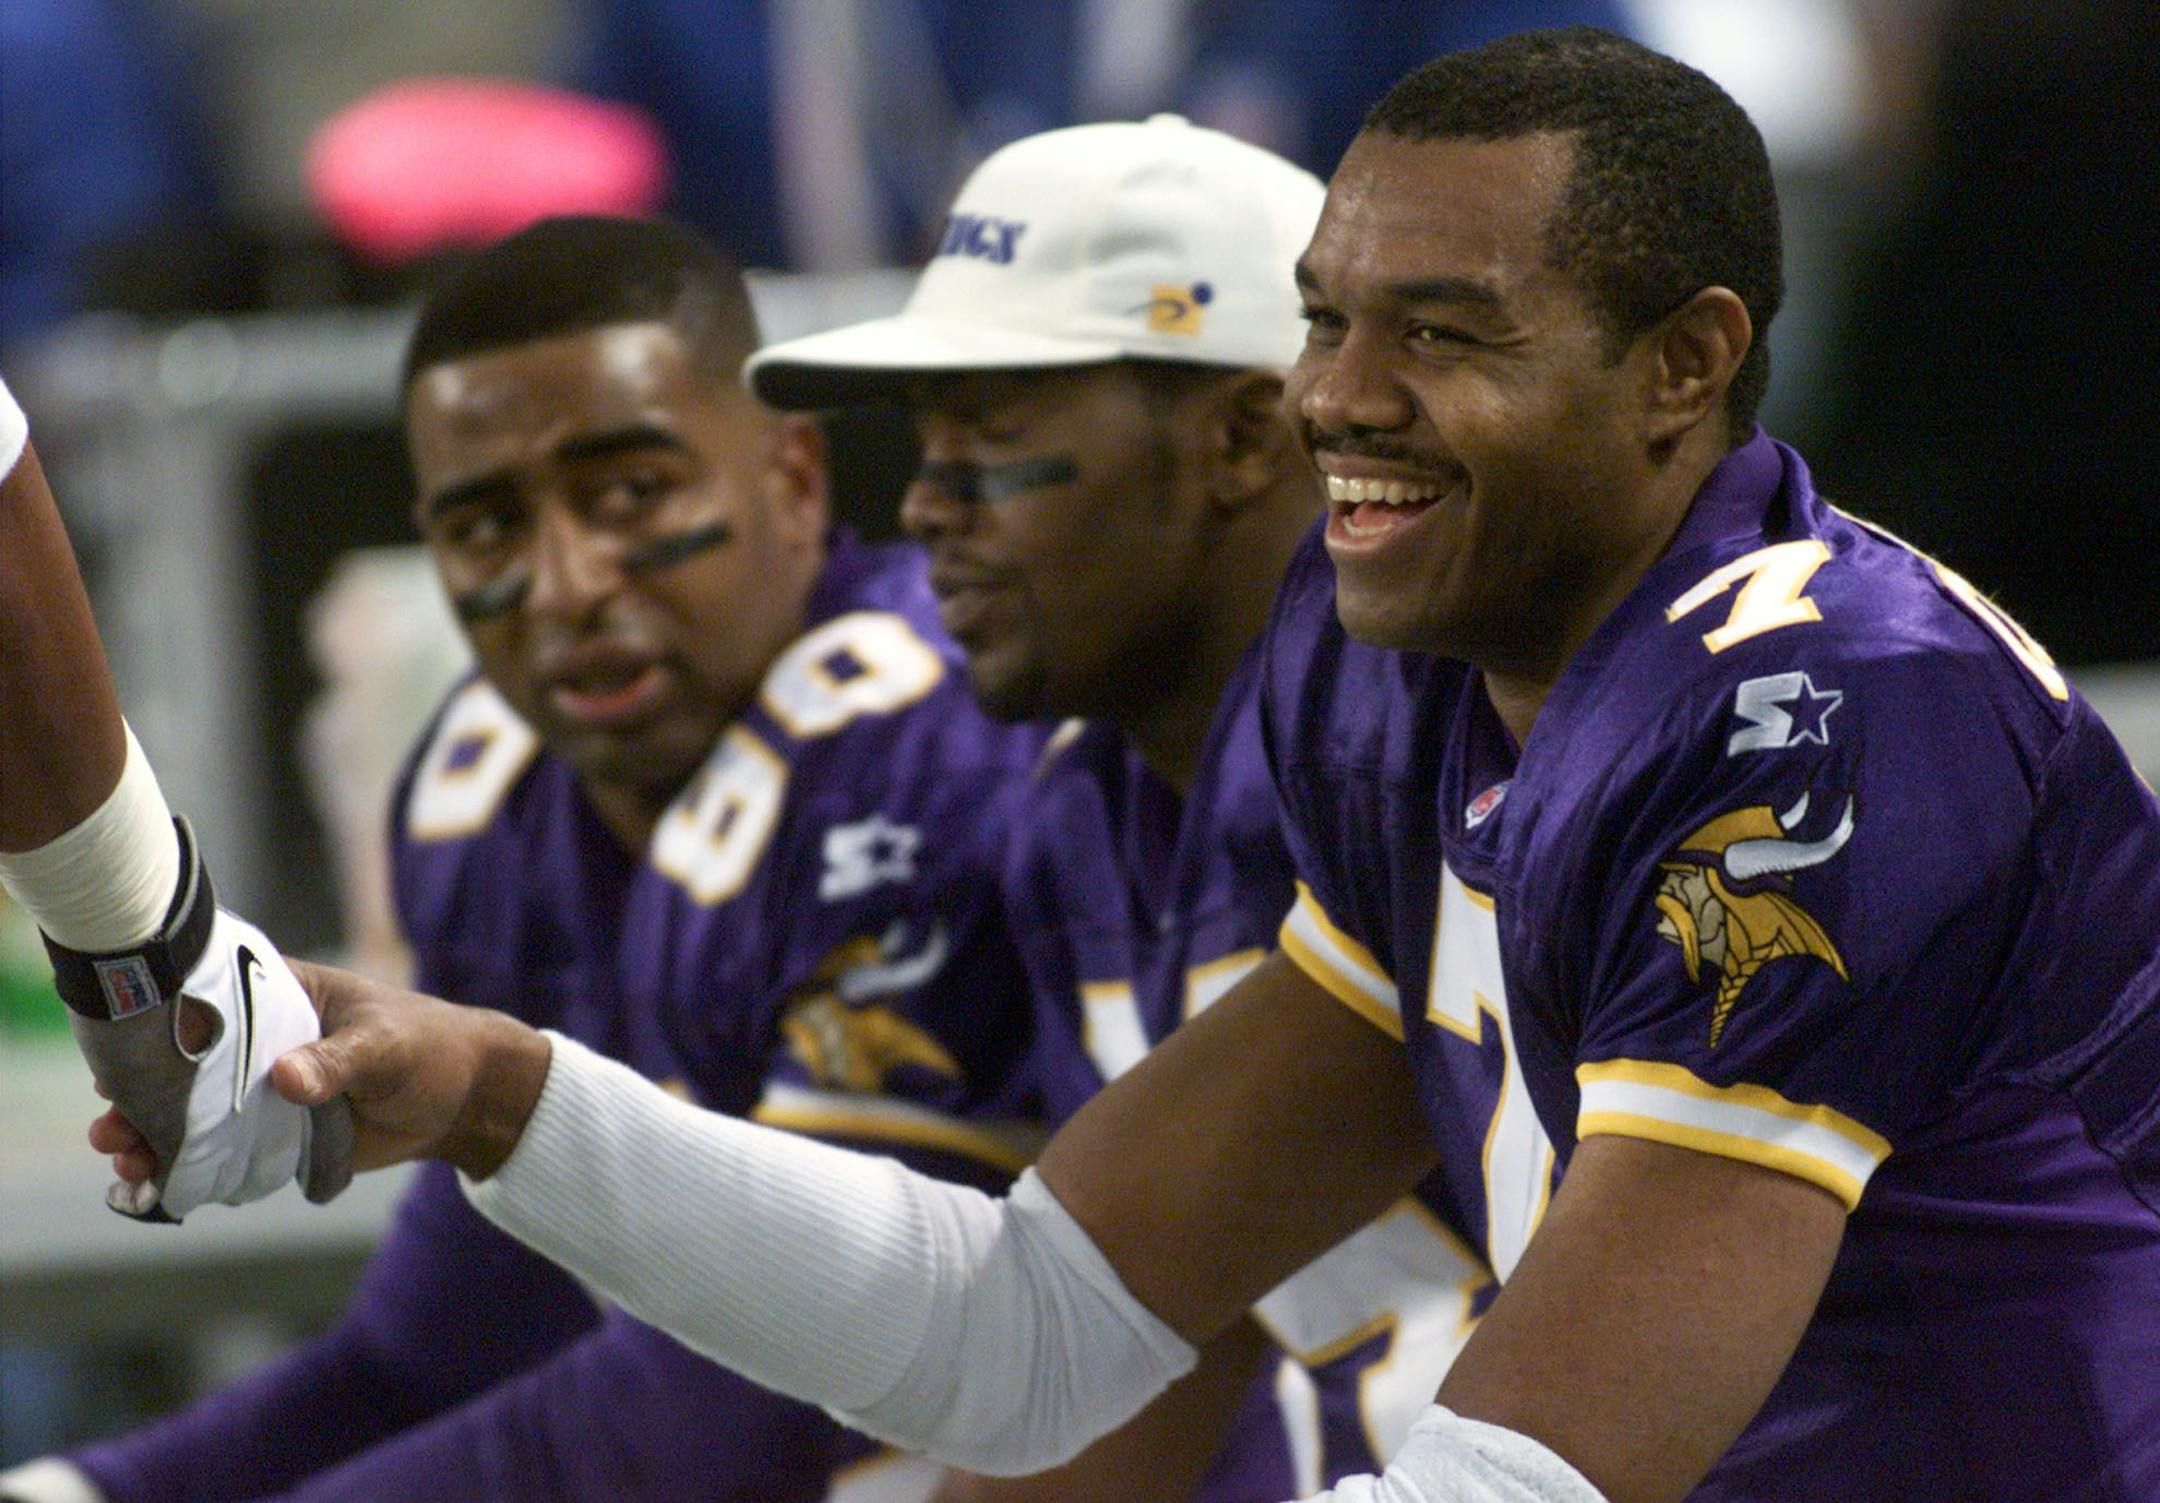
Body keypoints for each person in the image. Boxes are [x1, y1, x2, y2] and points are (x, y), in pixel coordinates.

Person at [100, 28, 2160, 1502]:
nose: (1343, 394)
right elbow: (1032, 1331)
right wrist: (485, 1088)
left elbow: (1531, 1471)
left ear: (1684, 366)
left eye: (1434, 333)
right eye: (1327, 322)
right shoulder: (1400, 698)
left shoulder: (1819, 710)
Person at [4, 216, 1064, 1503]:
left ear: (794, 479)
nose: (564, 585)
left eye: (630, 494)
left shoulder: (923, 750)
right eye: (488, 522)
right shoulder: (486, 797)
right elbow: (444, 1347)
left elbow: (775, 1408)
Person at [747, 113, 1511, 1487]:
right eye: (923, 441)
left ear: (1236, 435)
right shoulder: (1079, 812)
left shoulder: (1449, 761)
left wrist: (506, 1102)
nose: (924, 505)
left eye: (991, 432)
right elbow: (1128, 1345)